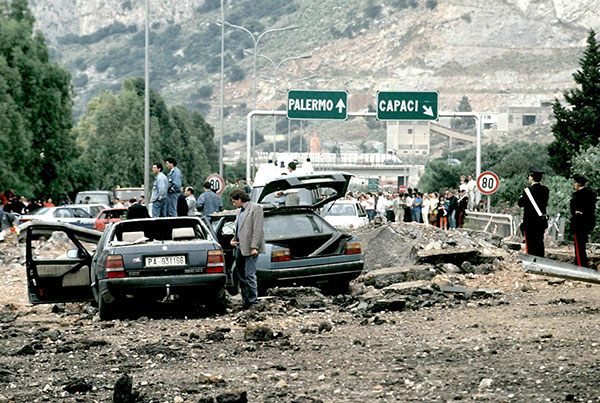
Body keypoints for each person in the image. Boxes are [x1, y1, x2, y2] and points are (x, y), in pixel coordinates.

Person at [230, 189, 265, 309]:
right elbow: (238, 228)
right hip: (240, 246)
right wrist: (233, 240)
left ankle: (253, 301)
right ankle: (246, 300)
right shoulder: (239, 211)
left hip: (250, 247)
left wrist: (254, 246)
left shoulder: (256, 208)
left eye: (234, 201)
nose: (233, 204)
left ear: (239, 199)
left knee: (250, 275)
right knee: (241, 275)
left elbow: (258, 229)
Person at [517, 167, 550, 257]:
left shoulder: (527, 191)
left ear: (531, 177)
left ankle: (532, 262)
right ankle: (541, 260)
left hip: (530, 222)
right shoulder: (545, 190)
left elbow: (520, 203)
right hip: (541, 221)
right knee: (539, 242)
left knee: (531, 244)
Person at [570, 174, 597, 267]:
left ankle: (580, 263)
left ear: (578, 184)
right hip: (588, 222)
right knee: (582, 244)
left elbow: (572, 208)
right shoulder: (591, 194)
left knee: (578, 245)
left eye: (575, 183)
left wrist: (577, 212)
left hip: (579, 223)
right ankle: (580, 262)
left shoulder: (577, 195)